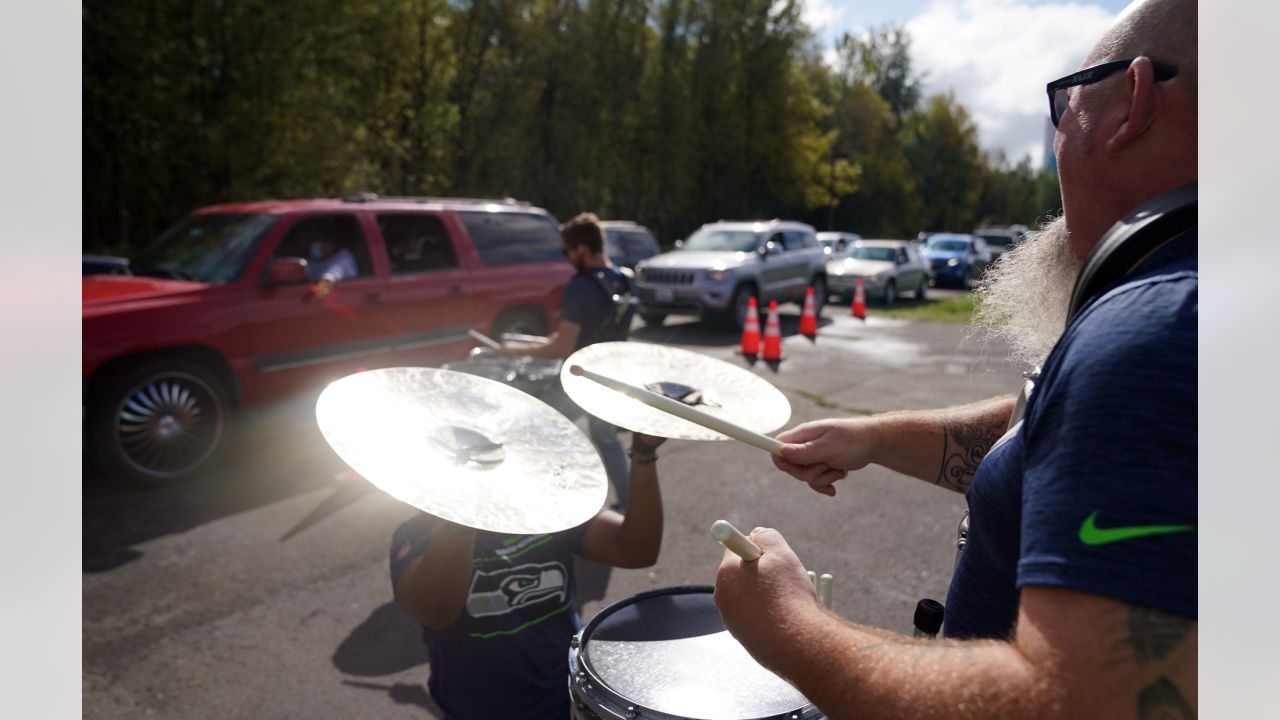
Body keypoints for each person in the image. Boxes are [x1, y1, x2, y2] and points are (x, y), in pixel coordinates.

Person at [713, 1, 1197, 717]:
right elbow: (1054, 435)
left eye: (1067, 100)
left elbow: (1070, 704)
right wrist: (874, 437)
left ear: (1133, 99)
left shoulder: (1156, 330)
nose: (1060, 129)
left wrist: (786, 622)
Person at [389, 433, 666, 720]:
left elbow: (635, 549)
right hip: (476, 711)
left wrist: (643, 453)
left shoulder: (539, 507)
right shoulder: (416, 535)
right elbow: (436, 612)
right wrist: (463, 511)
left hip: (566, 695)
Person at [500, 212, 636, 507]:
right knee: (605, 438)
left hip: (579, 379)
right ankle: (627, 501)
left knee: (541, 426)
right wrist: (531, 342)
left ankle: (552, 502)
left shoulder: (579, 287)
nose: (566, 259)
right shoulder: (625, 280)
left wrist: (520, 349)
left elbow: (562, 346)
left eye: (567, 252)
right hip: (612, 376)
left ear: (582, 249)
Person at [307, 229, 358, 298]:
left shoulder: (344, 257)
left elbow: (334, 272)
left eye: (321, 241)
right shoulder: (315, 259)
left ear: (331, 243)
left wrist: (325, 282)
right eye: (316, 241)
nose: (317, 245)